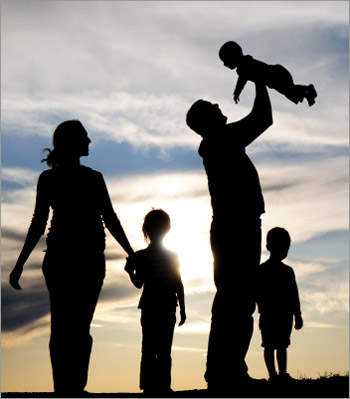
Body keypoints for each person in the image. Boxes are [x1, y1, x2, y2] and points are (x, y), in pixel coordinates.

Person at [9, 120, 134, 395]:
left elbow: (109, 218)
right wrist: (19, 264)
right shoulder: (63, 179)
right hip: (71, 260)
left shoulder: (85, 177)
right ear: (73, 142)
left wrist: (131, 252)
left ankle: (71, 388)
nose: (89, 142)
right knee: (71, 328)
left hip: (79, 260)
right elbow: (39, 222)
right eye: (85, 137)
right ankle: (67, 389)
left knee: (71, 328)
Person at [186, 82, 273, 392]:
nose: (220, 108)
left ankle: (227, 370)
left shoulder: (218, 141)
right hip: (236, 227)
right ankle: (226, 372)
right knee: (235, 302)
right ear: (206, 121)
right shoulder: (220, 139)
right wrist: (259, 79)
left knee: (234, 302)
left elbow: (261, 119)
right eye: (213, 108)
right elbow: (263, 118)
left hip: (234, 226)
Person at [124, 209, 186, 395]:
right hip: (163, 305)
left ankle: (152, 386)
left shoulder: (144, 256)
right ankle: (159, 386)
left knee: (151, 348)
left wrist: (130, 272)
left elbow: (138, 283)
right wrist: (182, 308)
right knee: (160, 348)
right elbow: (178, 284)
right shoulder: (166, 256)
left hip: (156, 305)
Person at [256, 227, 303, 382]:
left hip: (284, 314)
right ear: (269, 247)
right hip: (269, 313)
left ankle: (281, 374)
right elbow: (257, 292)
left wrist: (297, 314)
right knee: (269, 345)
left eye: (286, 247)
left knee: (281, 345)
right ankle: (273, 375)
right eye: (282, 246)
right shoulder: (261, 271)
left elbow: (293, 294)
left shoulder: (287, 271)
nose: (284, 250)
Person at [219, 41, 317, 106]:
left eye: (225, 60)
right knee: (289, 91)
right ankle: (307, 94)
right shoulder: (245, 65)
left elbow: (241, 81)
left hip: (277, 75)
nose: (224, 64)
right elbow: (242, 80)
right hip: (277, 75)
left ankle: (308, 89)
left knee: (289, 90)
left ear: (233, 56)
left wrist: (236, 93)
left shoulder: (244, 67)